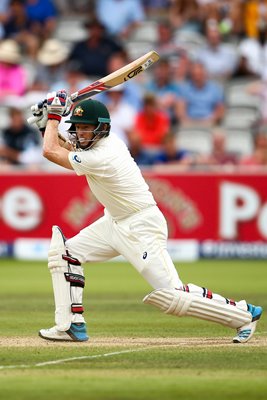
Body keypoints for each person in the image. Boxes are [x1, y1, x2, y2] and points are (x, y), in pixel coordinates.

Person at [31, 90, 262, 343]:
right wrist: (46, 124)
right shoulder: (98, 143)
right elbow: (62, 145)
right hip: (114, 222)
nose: (80, 134)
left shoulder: (103, 155)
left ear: (101, 129)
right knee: (66, 253)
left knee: (171, 295)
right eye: (77, 128)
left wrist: (53, 116)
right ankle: (70, 326)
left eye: (86, 128)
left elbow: (52, 152)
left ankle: (244, 314)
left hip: (141, 225)